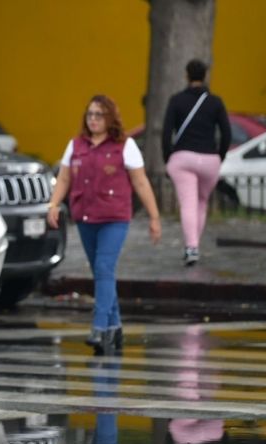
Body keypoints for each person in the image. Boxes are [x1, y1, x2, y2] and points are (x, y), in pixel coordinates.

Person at [47, 95, 161, 352]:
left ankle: (99, 328)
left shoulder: (125, 145)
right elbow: (64, 179)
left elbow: (141, 183)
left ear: (110, 118)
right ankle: (115, 328)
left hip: (114, 218)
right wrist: (53, 204)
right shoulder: (75, 145)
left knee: (103, 266)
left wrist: (154, 217)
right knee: (102, 273)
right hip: (85, 217)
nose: (94, 119)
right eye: (90, 114)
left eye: (99, 114)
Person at [162, 59, 232, 266]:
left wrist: (169, 158)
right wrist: (219, 156)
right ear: (205, 76)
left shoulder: (176, 100)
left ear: (186, 75)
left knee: (188, 204)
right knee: (201, 203)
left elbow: (166, 134)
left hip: (183, 158)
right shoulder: (215, 102)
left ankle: (191, 248)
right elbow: (226, 134)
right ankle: (194, 245)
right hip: (210, 159)